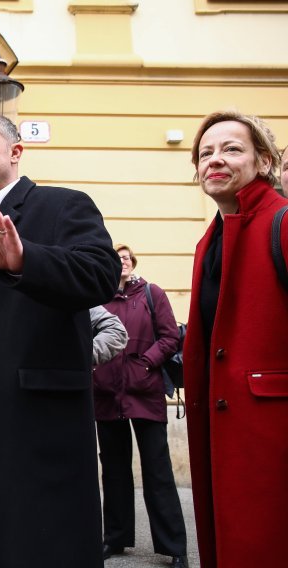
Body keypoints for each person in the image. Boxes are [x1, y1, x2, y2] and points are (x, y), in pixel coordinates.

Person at [0, 113, 119, 566]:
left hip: (37, 424)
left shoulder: (62, 205)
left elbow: (100, 275)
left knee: (40, 546)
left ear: (15, 152)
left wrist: (24, 261)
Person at [183, 110, 287, 568]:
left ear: (263, 161)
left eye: (231, 149)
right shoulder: (212, 240)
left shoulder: (281, 222)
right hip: (226, 435)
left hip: (273, 439)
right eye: (205, 153)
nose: (215, 160)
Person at [93, 244, 188, 567]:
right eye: (116, 258)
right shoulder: (98, 298)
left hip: (145, 393)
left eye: (126, 257)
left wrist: (147, 363)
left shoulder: (152, 293)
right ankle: (116, 539)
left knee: (158, 472)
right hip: (106, 395)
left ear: (133, 263)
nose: (122, 261)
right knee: (115, 472)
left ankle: (175, 547)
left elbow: (170, 337)